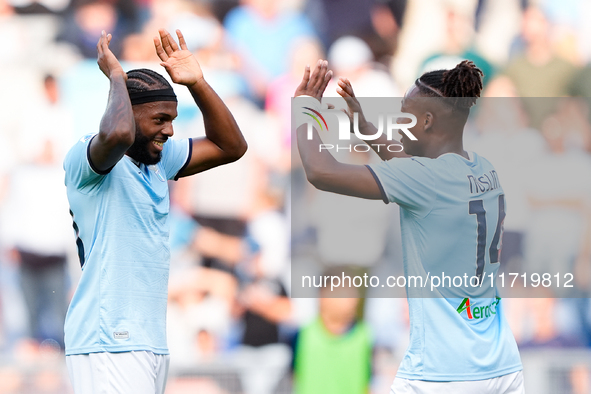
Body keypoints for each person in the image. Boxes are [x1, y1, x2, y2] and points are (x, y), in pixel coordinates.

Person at [294, 60, 523, 393]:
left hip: (442, 372)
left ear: (428, 121)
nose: (398, 122)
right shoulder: (482, 169)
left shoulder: (425, 180)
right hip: (501, 364)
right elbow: (408, 164)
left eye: (405, 114)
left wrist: (305, 111)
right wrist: (363, 125)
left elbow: (319, 171)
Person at [63, 28, 247, 394]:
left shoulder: (158, 161)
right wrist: (117, 76)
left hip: (148, 340)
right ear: (129, 114)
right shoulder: (89, 159)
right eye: (159, 118)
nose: (170, 130)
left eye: (172, 118)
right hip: (109, 337)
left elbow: (232, 146)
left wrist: (197, 83)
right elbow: (116, 135)